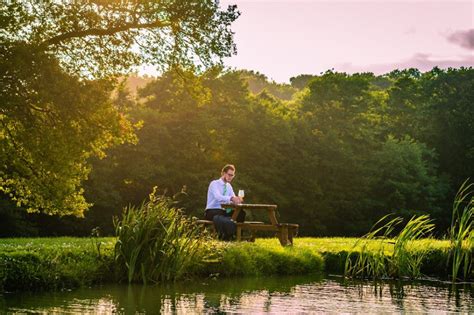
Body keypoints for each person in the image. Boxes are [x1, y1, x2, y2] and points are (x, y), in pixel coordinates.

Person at [205, 164, 245, 240]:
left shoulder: (229, 186)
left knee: (241, 213)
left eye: (232, 175)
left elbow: (232, 199)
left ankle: (238, 237)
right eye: (229, 175)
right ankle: (226, 235)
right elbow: (218, 197)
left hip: (223, 211)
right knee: (223, 216)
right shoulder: (214, 184)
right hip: (212, 211)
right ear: (223, 173)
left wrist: (237, 200)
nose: (231, 177)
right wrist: (232, 198)